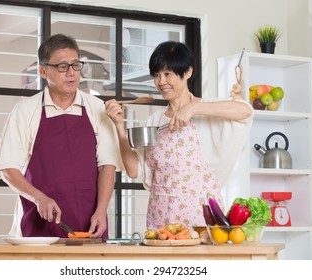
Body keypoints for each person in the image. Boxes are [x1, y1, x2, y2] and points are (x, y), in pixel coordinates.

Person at [105, 41, 253, 231]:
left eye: (168, 74)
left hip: (200, 220)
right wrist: (119, 125)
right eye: (157, 75)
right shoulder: (155, 120)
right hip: (161, 220)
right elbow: (134, 170)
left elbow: (245, 111)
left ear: (188, 72)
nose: (161, 82)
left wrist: (195, 107)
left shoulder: (206, 109)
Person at [0, 34, 122, 238]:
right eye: (62, 66)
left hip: (90, 224)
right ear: (43, 71)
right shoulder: (25, 111)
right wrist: (38, 198)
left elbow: (107, 165)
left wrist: (102, 210)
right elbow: (8, 170)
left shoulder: (97, 108)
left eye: (76, 65)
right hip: (40, 226)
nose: (71, 73)